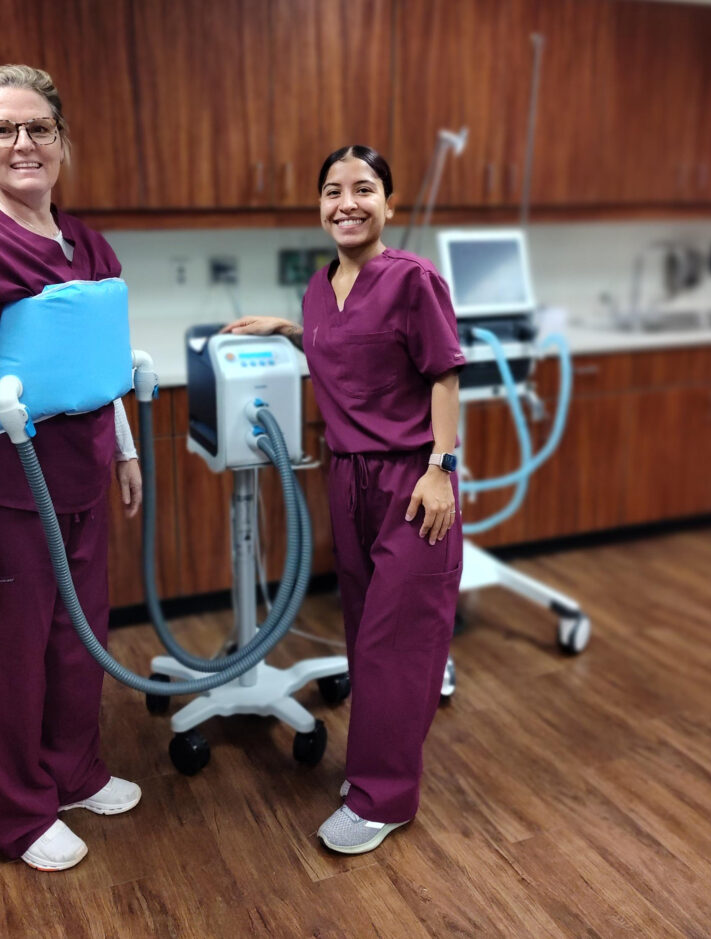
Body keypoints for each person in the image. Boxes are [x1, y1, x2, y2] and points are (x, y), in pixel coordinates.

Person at [0, 64, 143, 872]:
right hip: (8, 497)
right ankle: (15, 813)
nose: (22, 145)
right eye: (1, 130)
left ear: (62, 139)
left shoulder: (84, 241)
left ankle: (73, 772)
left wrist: (124, 444)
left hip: (79, 479)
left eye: (37, 128)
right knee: (10, 658)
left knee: (77, 640)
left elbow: (98, 359)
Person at [223, 145, 464, 854]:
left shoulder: (415, 279)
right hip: (347, 477)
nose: (347, 203)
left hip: (409, 479)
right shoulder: (318, 286)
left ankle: (383, 797)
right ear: (320, 205)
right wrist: (289, 329)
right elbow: (349, 346)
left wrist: (439, 468)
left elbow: (444, 376)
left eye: (364, 189)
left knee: (399, 642)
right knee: (364, 632)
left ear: (390, 203)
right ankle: (375, 771)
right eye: (333, 190)